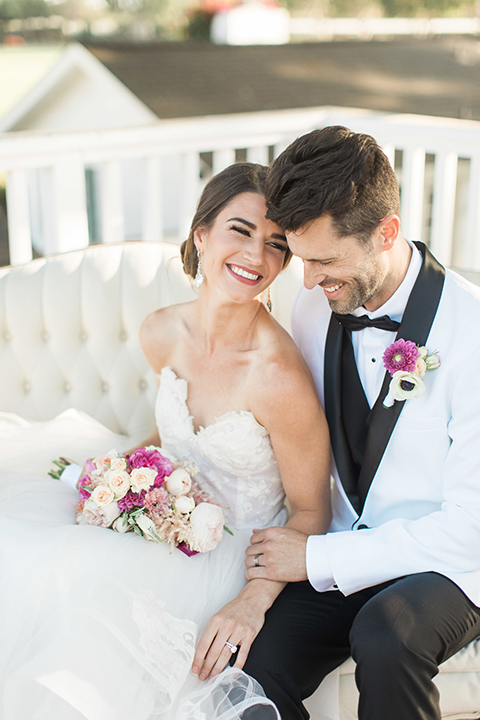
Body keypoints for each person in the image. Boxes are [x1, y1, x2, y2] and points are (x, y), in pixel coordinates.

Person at [0, 162, 331, 720]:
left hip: (227, 551)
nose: (256, 256)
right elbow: (178, 438)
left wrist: (251, 602)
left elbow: (310, 514)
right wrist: (119, 480)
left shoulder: (277, 378)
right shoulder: (160, 331)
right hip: (155, 520)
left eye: (276, 245)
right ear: (201, 233)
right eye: (240, 230)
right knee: (29, 557)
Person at [241, 126, 480, 720]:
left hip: (452, 563)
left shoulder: (473, 331)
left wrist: (316, 561)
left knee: (386, 634)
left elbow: (469, 530)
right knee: (247, 663)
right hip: (349, 546)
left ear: (387, 232)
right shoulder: (313, 306)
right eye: (301, 258)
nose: (307, 280)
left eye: (324, 260)